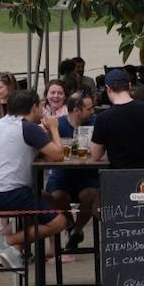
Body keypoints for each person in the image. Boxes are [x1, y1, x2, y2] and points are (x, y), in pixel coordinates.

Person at [0, 90, 67, 270]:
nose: (43, 111)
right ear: (34, 108)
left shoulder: (13, 126)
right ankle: (6, 240)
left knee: (46, 198)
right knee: (60, 222)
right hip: (11, 192)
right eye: (41, 107)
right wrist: (53, 128)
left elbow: (46, 155)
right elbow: (59, 155)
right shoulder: (28, 127)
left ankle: (15, 248)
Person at [48, 91, 100, 252]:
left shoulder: (96, 122)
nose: (93, 112)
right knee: (56, 196)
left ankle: (76, 232)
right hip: (62, 176)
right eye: (89, 109)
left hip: (87, 175)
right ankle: (70, 225)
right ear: (77, 111)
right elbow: (48, 153)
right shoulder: (58, 125)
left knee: (91, 194)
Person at [90, 68, 144, 170]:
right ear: (129, 86)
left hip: (121, 177)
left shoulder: (103, 118)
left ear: (108, 88)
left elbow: (95, 155)